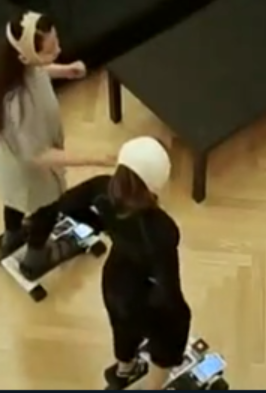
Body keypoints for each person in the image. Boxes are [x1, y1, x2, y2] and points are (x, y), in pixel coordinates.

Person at [0, 10, 114, 279]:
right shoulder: (19, 104)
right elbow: (39, 155)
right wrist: (94, 158)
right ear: (25, 56)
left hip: (5, 160)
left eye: (57, 43)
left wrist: (64, 70)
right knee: (48, 207)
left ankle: (12, 236)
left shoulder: (9, 67)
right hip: (26, 168)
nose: (59, 50)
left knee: (14, 200)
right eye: (51, 50)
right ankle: (36, 256)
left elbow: (36, 70)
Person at [57, 137, 191, 391]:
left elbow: (67, 204)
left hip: (114, 280)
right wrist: (179, 319)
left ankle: (125, 370)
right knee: (171, 336)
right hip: (144, 295)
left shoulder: (102, 188)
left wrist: (101, 226)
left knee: (122, 325)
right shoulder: (162, 228)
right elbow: (168, 290)